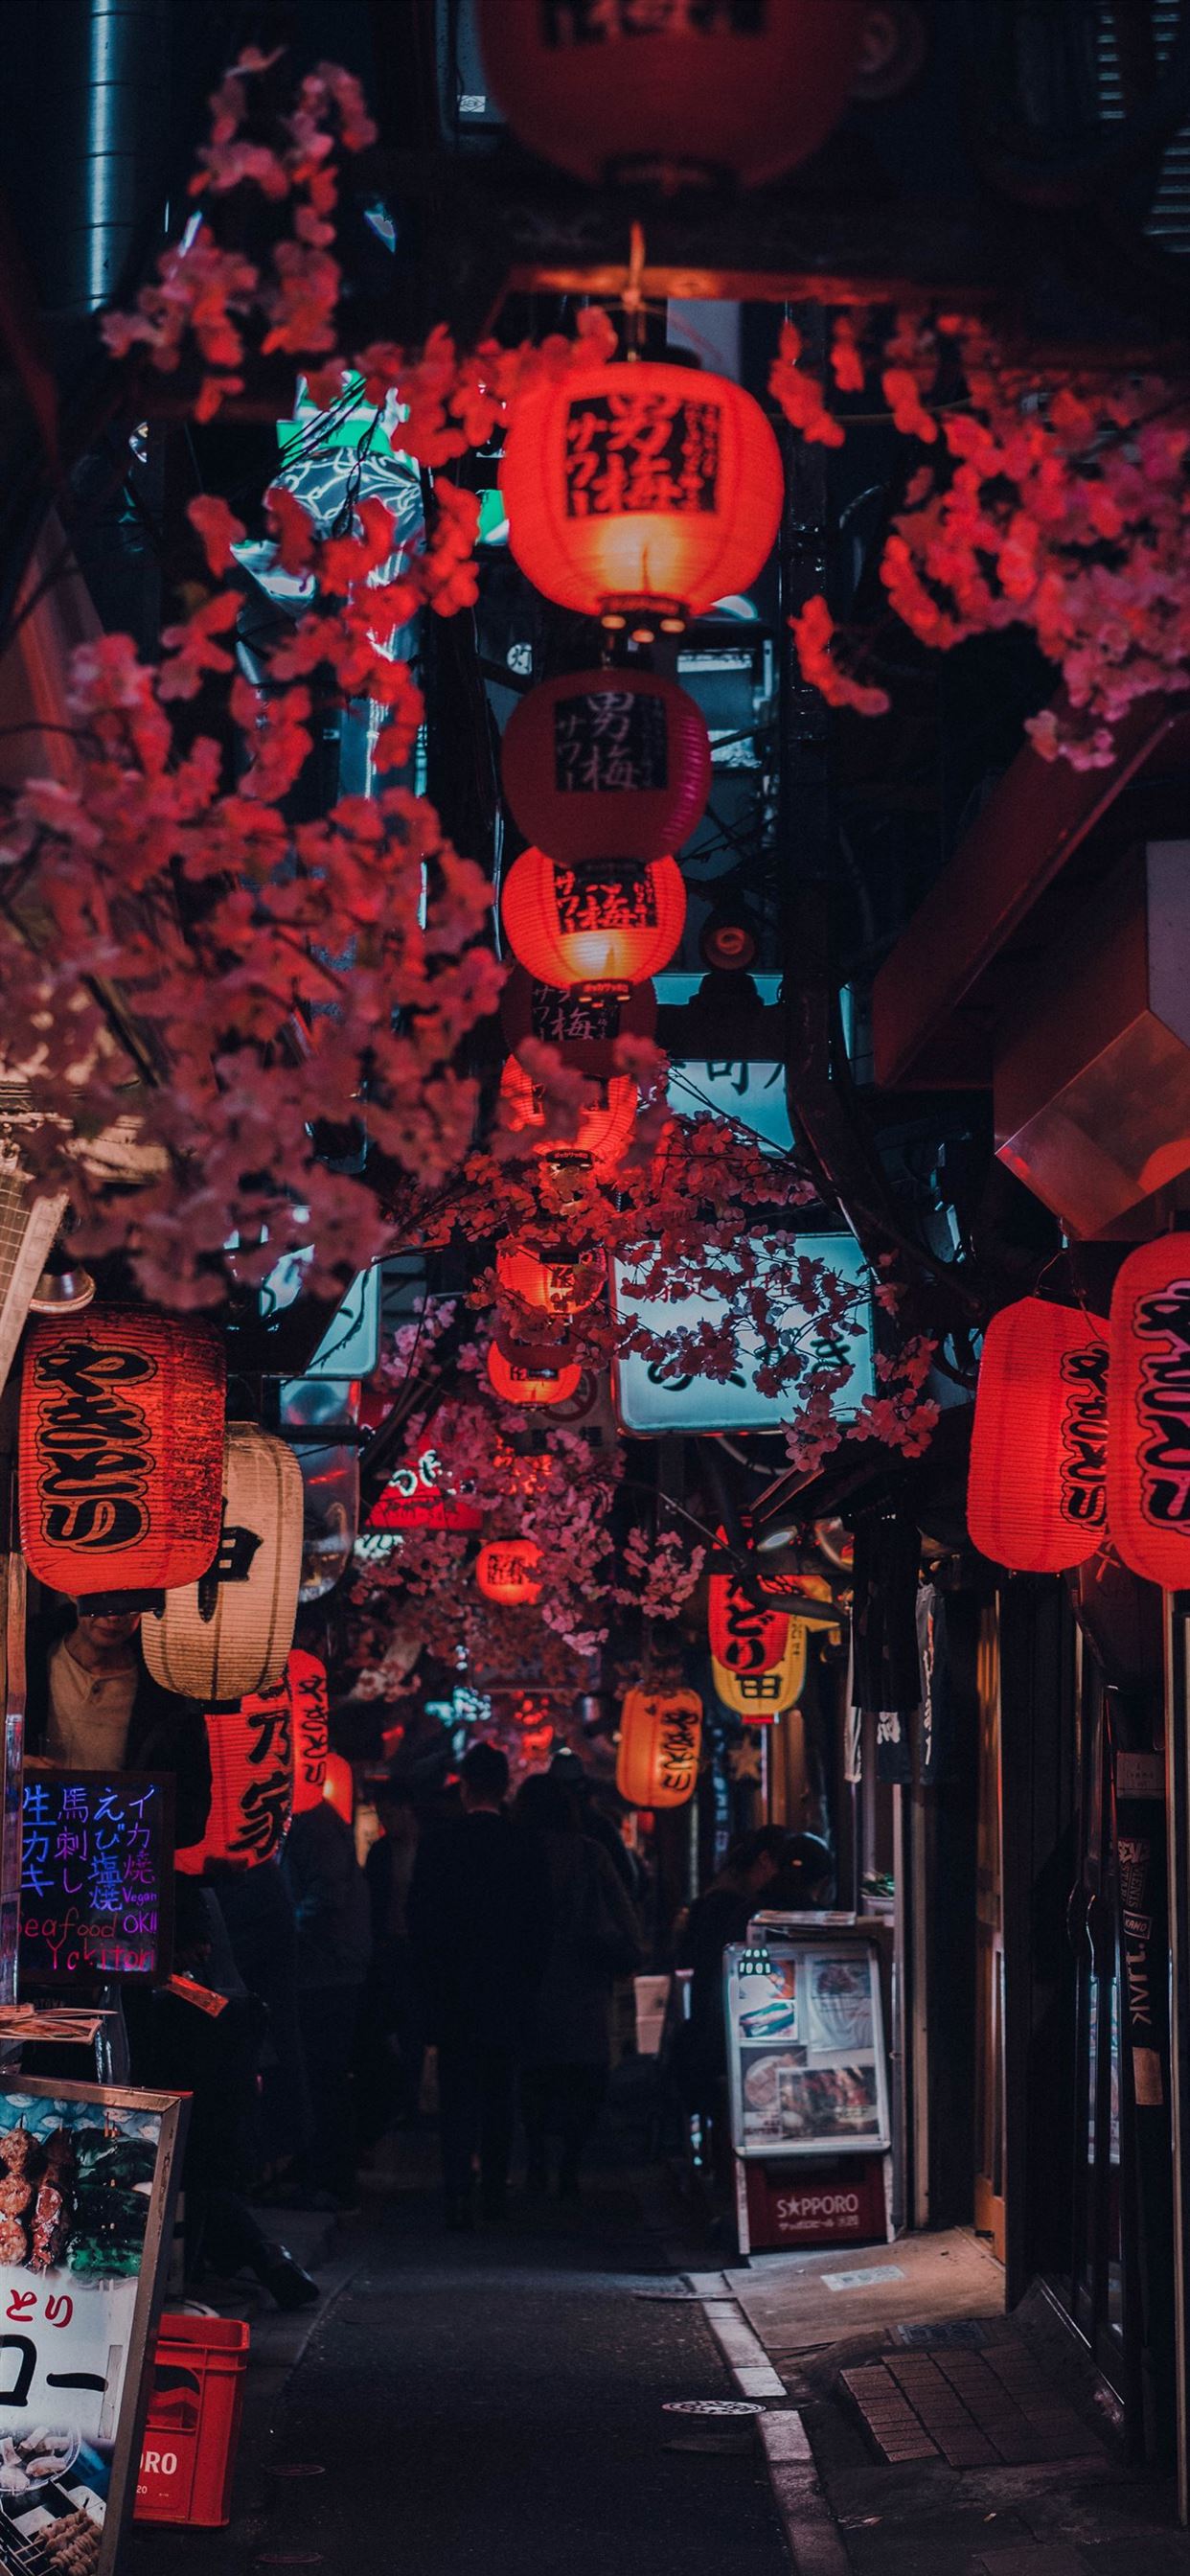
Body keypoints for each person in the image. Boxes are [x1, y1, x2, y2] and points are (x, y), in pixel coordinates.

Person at [24, 1598, 317, 2310]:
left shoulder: (169, 1696)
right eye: (98, 1597)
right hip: (30, 1884)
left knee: (136, 2065)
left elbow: (190, 1811)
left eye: (129, 1601)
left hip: (127, 1896)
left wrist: (127, 1805)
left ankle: (119, 2252)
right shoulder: (25, 1666)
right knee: (38, 2055)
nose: (111, 1614)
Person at [408, 1740, 551, 2227]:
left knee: (457, 2097)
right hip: (509, 1992)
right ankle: (493, 2189)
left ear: (464, 1787)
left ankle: (455, 2191)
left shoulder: (440, 1843)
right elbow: (541, 1925)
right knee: (499, 2095)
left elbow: (420, 1923)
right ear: (505, 1786)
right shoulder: (524, 1844)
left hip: (453, 1993)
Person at [515, 1773, 643, 2200]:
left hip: (526, 1983)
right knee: (583, 2078)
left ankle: (535, 2160)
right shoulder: (591, 1854)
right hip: (584, 1981)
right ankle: (570, 2165)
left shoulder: (516, 1854)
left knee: (533, 2077)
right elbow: (625, 1914)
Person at [675, 1828, 790, 2185]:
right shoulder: (735, 1907)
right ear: (766, 1861)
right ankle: (732, 2178)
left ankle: (727, 2175)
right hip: (722, 2028)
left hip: (716, 2024)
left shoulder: (724, 1898)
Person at [282, 1788, 371, 2207]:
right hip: (326, 1969)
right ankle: (319, 2172)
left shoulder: (312, 1822)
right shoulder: (316, 1820)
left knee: (322, 2076)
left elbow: (327, 1896)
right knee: (320, 2076)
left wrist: (281, 1931)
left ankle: (330, 2178)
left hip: (325, 1971)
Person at [357, 1777, 423, 2152]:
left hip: (416, 1948)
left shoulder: (427, 1848)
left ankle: (413, 2100)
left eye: (388, 1814)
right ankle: (403, 2100)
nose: (384, 1822)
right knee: (394, 2025)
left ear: (405, 1810)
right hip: (389, 1948)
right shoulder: (381, 1852)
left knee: (414, 2026)